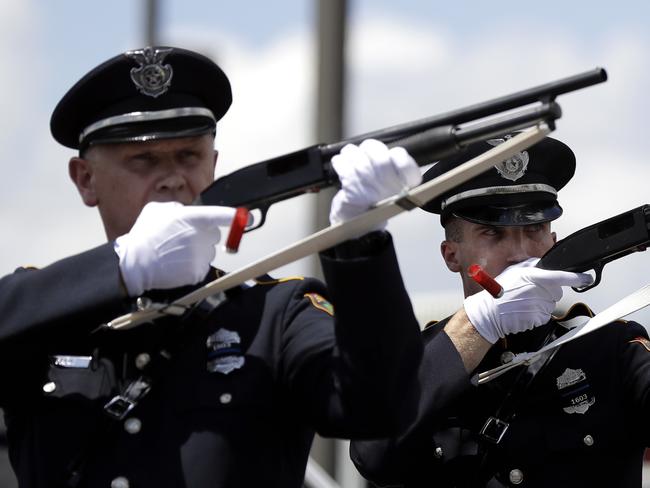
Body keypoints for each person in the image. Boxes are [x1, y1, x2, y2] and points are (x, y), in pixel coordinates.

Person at [0, 46, 591, 488]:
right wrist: (121, 271)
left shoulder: (275, 314)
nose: (173, 178)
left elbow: (378, 411)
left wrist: (359, 242)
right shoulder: (41, 318)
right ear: (85, 180)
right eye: (143, 160)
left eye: (189, 156)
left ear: (214, 165)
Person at [351, 136, 650, 488]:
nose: (519, 252)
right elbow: (372, 453)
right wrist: (478, 326)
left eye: (534, 229)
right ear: (451, 255)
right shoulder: (418, 362)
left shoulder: (612, 348)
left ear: (553, 242)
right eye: (493, 233)